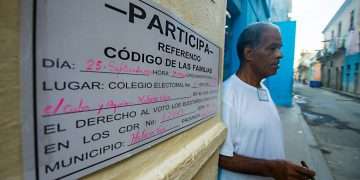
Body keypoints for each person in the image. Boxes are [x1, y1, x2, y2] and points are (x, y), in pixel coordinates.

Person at [218, 22, 316, 180]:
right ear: (249, 53)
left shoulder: (262, 88)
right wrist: (273, 169)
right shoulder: (228, 95)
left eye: (279, 48)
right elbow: (221, 158)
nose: (280, 55)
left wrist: (286, 171)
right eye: (272, 48)